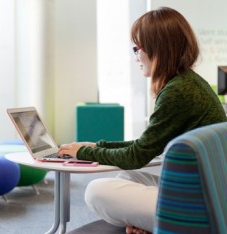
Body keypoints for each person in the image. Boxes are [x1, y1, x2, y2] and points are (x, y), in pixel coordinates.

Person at [58, 7, 227, 234]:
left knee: (96, 191)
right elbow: (145, 144)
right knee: (127, 178)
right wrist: (99, 147)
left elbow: (137, 155)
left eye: (138, 48)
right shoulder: (186, 82)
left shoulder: (178, 91)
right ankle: (144, 223)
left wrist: (83, 153)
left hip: (201, 204)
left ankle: (150, 222)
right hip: (207, 189)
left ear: (158, 48)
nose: (136, 55)